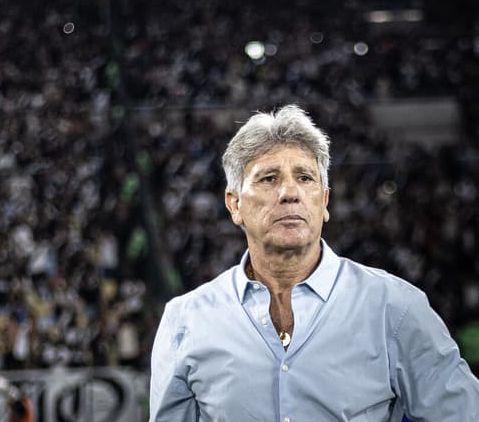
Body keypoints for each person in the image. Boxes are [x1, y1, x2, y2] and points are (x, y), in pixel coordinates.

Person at [148, 105, 479, 421]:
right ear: (234, 204)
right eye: (269, 179)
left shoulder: (395, 308)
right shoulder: (185, 320)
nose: (290, 193)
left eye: (305, 178)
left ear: (324, 202)